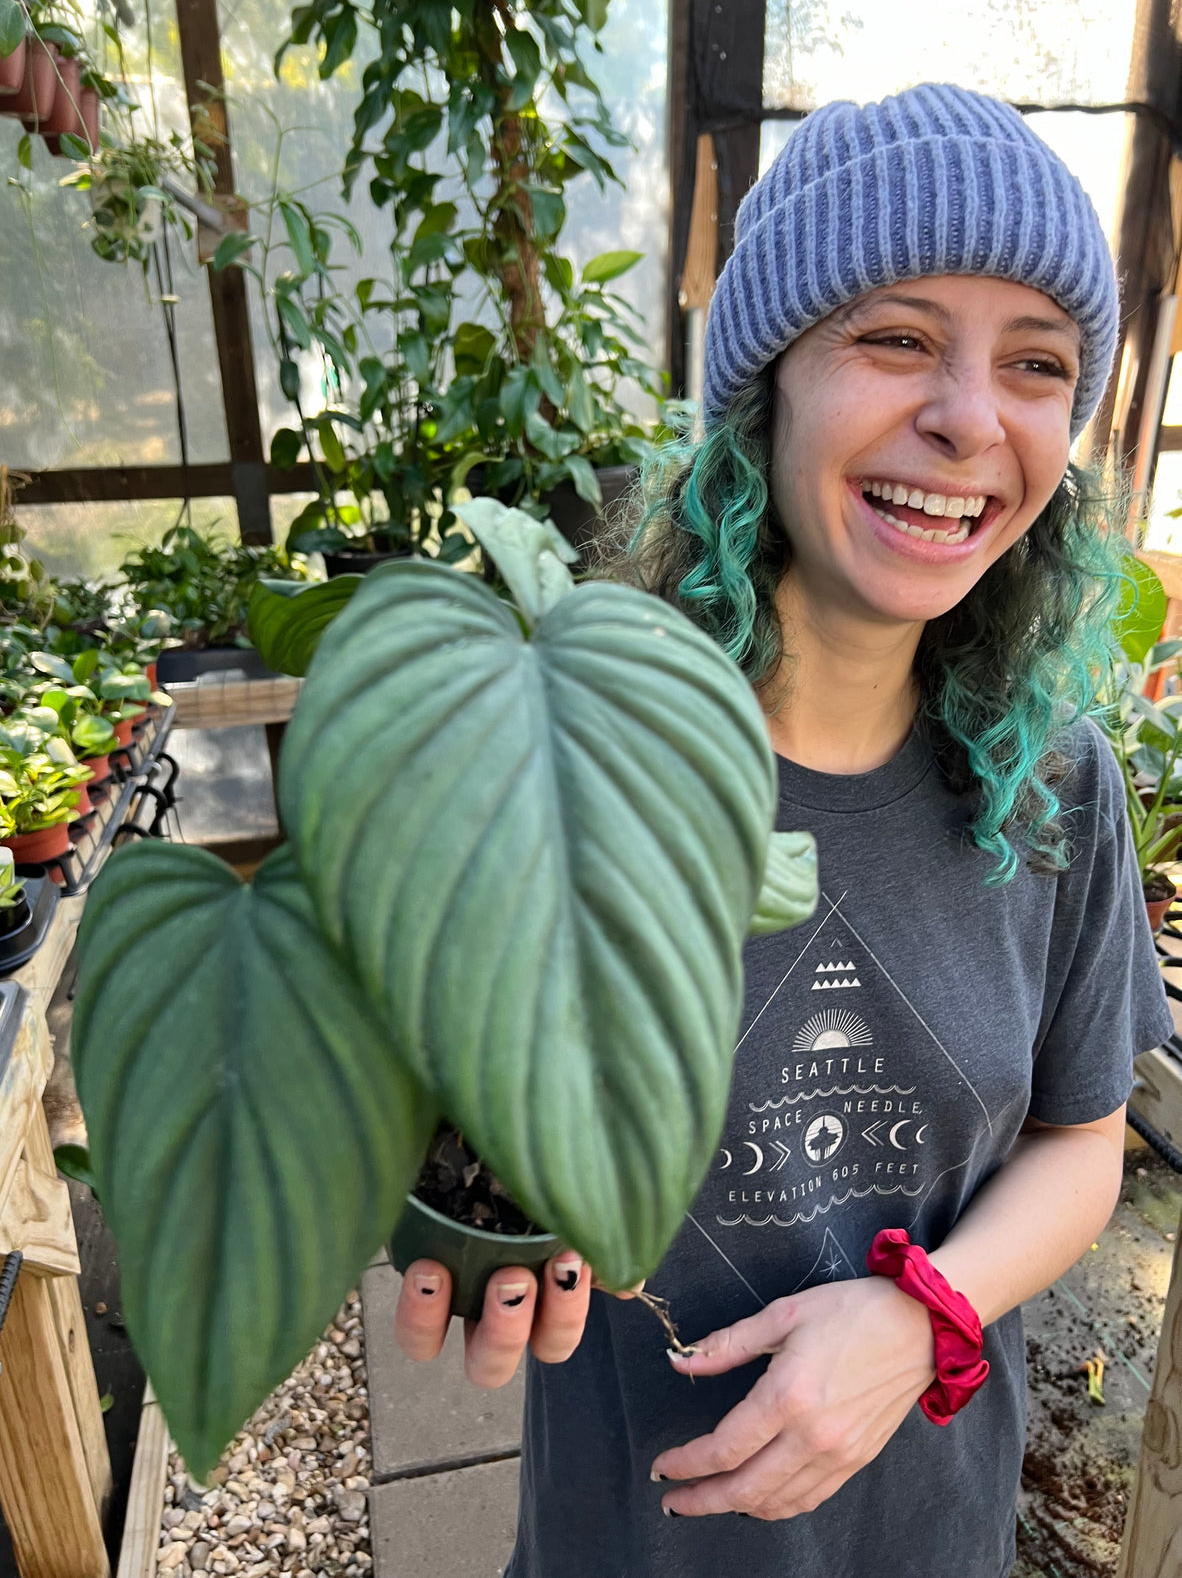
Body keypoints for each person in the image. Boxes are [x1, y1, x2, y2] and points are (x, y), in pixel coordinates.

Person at [394, 83, 1174, 1577]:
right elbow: (445, 1107)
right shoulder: (570, 766)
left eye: (1035, 366)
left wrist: (919, 1316)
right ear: (762, 390)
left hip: (928, 1534)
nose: (965, 419)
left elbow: (1082, 1141)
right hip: (629, 1540)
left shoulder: (1053, 786)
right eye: (893, 338)